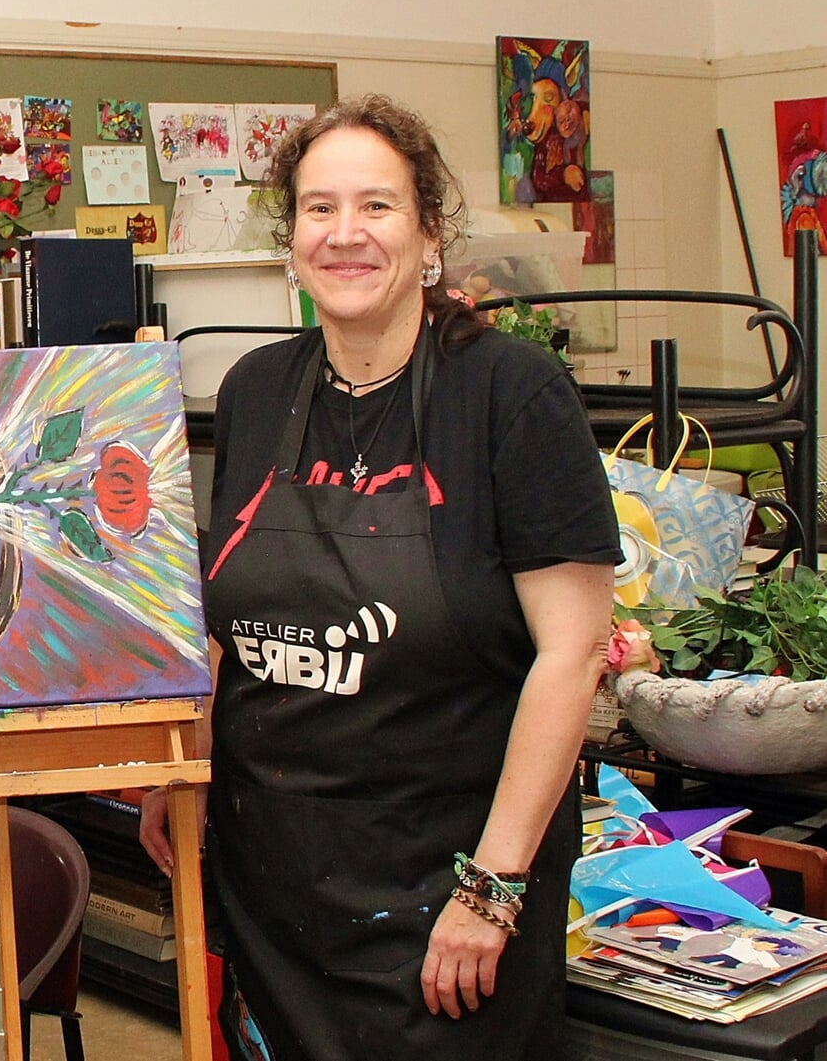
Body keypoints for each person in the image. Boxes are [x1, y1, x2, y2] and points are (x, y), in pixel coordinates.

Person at [138, 95, 617, 1060]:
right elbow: (229, 620)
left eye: (376, 207)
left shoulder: (510, 394)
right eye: (318, 209)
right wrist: (181, 768)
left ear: (428, 232)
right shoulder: (255, 388)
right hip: (272, 870)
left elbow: (570, 656)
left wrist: (493, 886)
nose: (344, 235)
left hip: (448, 877)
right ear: (291, 239)